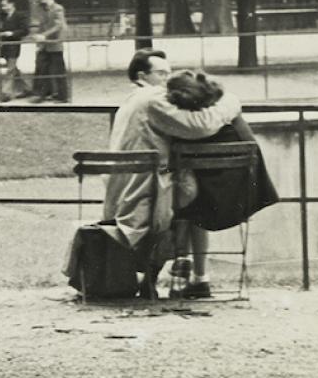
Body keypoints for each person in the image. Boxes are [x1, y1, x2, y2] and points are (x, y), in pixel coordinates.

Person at [103, 49, 242, 299]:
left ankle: (185, 270)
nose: (167, 80)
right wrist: (230, 102)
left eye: (169, 73)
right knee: (195, 194)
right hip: (148, 187)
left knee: (188, 190)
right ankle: (193, 273)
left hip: (130, 184)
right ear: (142, 76)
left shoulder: (132, 99)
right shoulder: (153, 99)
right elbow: (200, 125)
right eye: (161, 74)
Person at [164, 69, 279, 299]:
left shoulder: (189, 123)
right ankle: (200, 278)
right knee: (192, 198)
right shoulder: (228, 113)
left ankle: (181, 262)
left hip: (198, 203)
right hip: (243, 194)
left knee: (180, 197)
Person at [31, 0, 68, 102]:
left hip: (54, 44)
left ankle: (62, 96)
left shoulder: (58, 8)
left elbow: (58, 26)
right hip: (44, 45)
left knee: (58, 70)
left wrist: (44, 35)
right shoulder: (42, 9)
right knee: (42, 68)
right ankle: (42, 95)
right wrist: (37, 37)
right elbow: (41, 25)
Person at [0, 0, 30, 102]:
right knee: (13, 69)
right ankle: (27, 89)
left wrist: (12, 33)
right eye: (2, 6)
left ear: (12, 4)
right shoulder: (2, 16)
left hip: (14, 45)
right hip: (5, 46)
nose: (3, 8)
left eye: (5, 5)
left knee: (10, 70)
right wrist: (0, 33)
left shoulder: (20, 15)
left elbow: (25, 30)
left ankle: (6, 93)